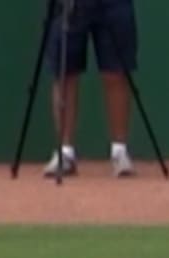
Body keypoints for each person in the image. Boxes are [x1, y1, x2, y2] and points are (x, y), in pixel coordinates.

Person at [44, 0, 138, 178]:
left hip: (113, 4)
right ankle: (65, 153)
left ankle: (120, 152)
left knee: (116, 71)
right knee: (65, 75)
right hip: (67, 5)